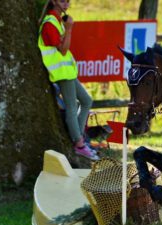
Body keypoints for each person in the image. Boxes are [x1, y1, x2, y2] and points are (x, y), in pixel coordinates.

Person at [38, 0, 98, 161]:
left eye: (68, 1)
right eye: (63, 1)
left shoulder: (57, 21)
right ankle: (79, 145)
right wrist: (69, 29)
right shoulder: (50, 23)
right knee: (72, 107)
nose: (66, 4)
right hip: (61, 74)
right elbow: (63, 50)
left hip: (68, 72)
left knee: (86, 100)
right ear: (54, 2)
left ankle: (78, 138)